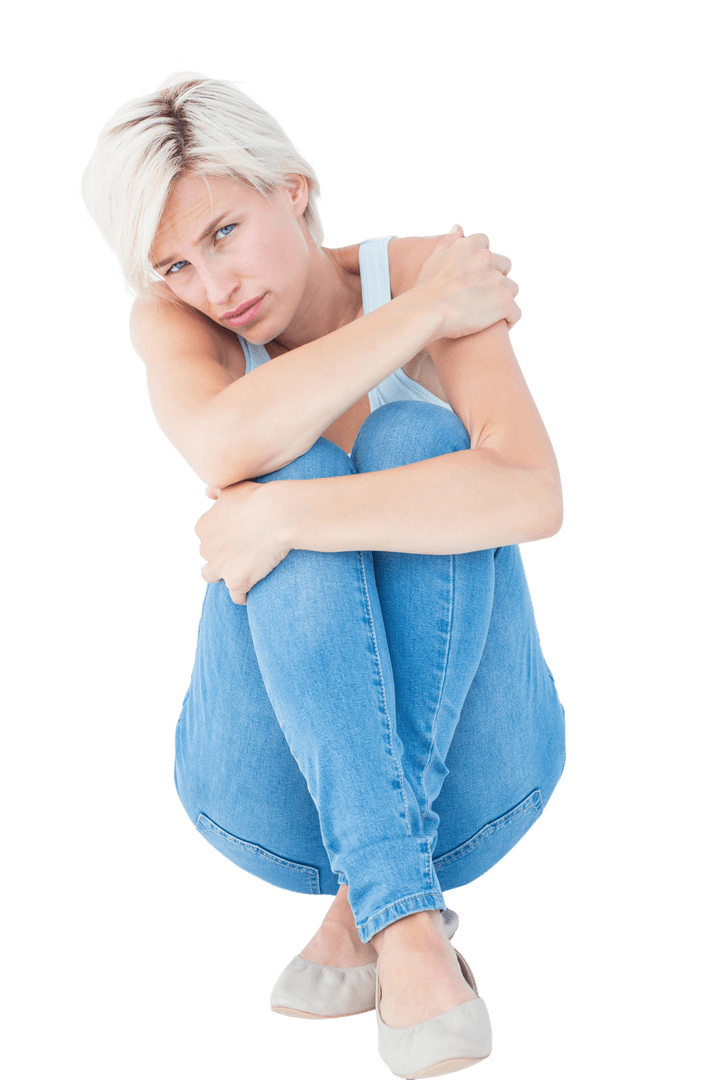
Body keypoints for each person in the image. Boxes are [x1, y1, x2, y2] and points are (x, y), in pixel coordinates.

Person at [78, 66, 567, 1077]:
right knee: (287, 458)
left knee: (412, 439)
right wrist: (420, 318)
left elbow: (532, 494)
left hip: (479, 784)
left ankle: (375, 907)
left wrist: (287, 517)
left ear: (294, 189)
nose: (216, 287)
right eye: (176, 264)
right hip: (268, 803)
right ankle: (411, 924)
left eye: (224, 233)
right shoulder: (181, 321)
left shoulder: (422, 267)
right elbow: (223, 445)